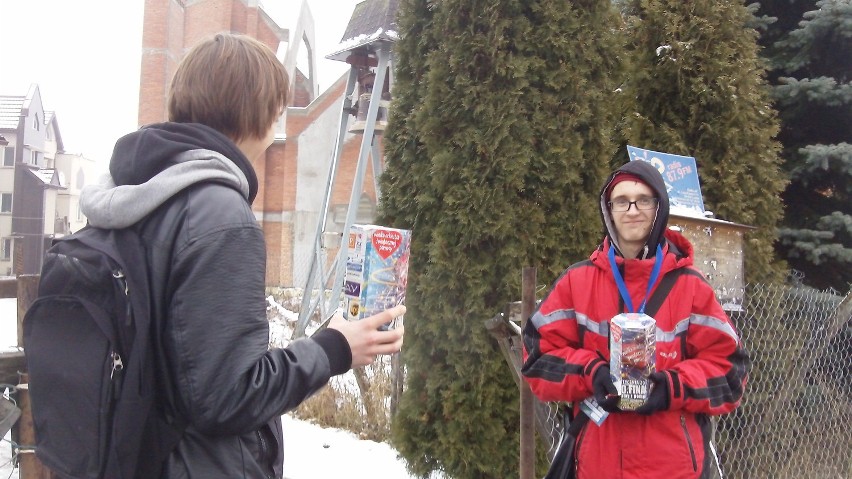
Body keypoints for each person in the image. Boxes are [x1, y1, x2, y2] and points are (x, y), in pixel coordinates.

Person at [80, 33, 405, 478]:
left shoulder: (132, 197)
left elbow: (184, 359)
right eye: (276, 109)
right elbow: (227, 396)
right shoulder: (219, 214)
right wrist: (334, 350)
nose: (276, 128)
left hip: (133, 456)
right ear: (255, 113)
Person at [521, 159, 748, 479]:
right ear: (608, 210)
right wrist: (591, 372)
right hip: (597, 466)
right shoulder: (577, 283)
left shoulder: (691, 287)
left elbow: (730, 375)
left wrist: (670, 388)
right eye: (621, 201)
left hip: (673, 469)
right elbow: (537, 361)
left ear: (660, 208)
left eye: (644, 200)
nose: (632, 210)